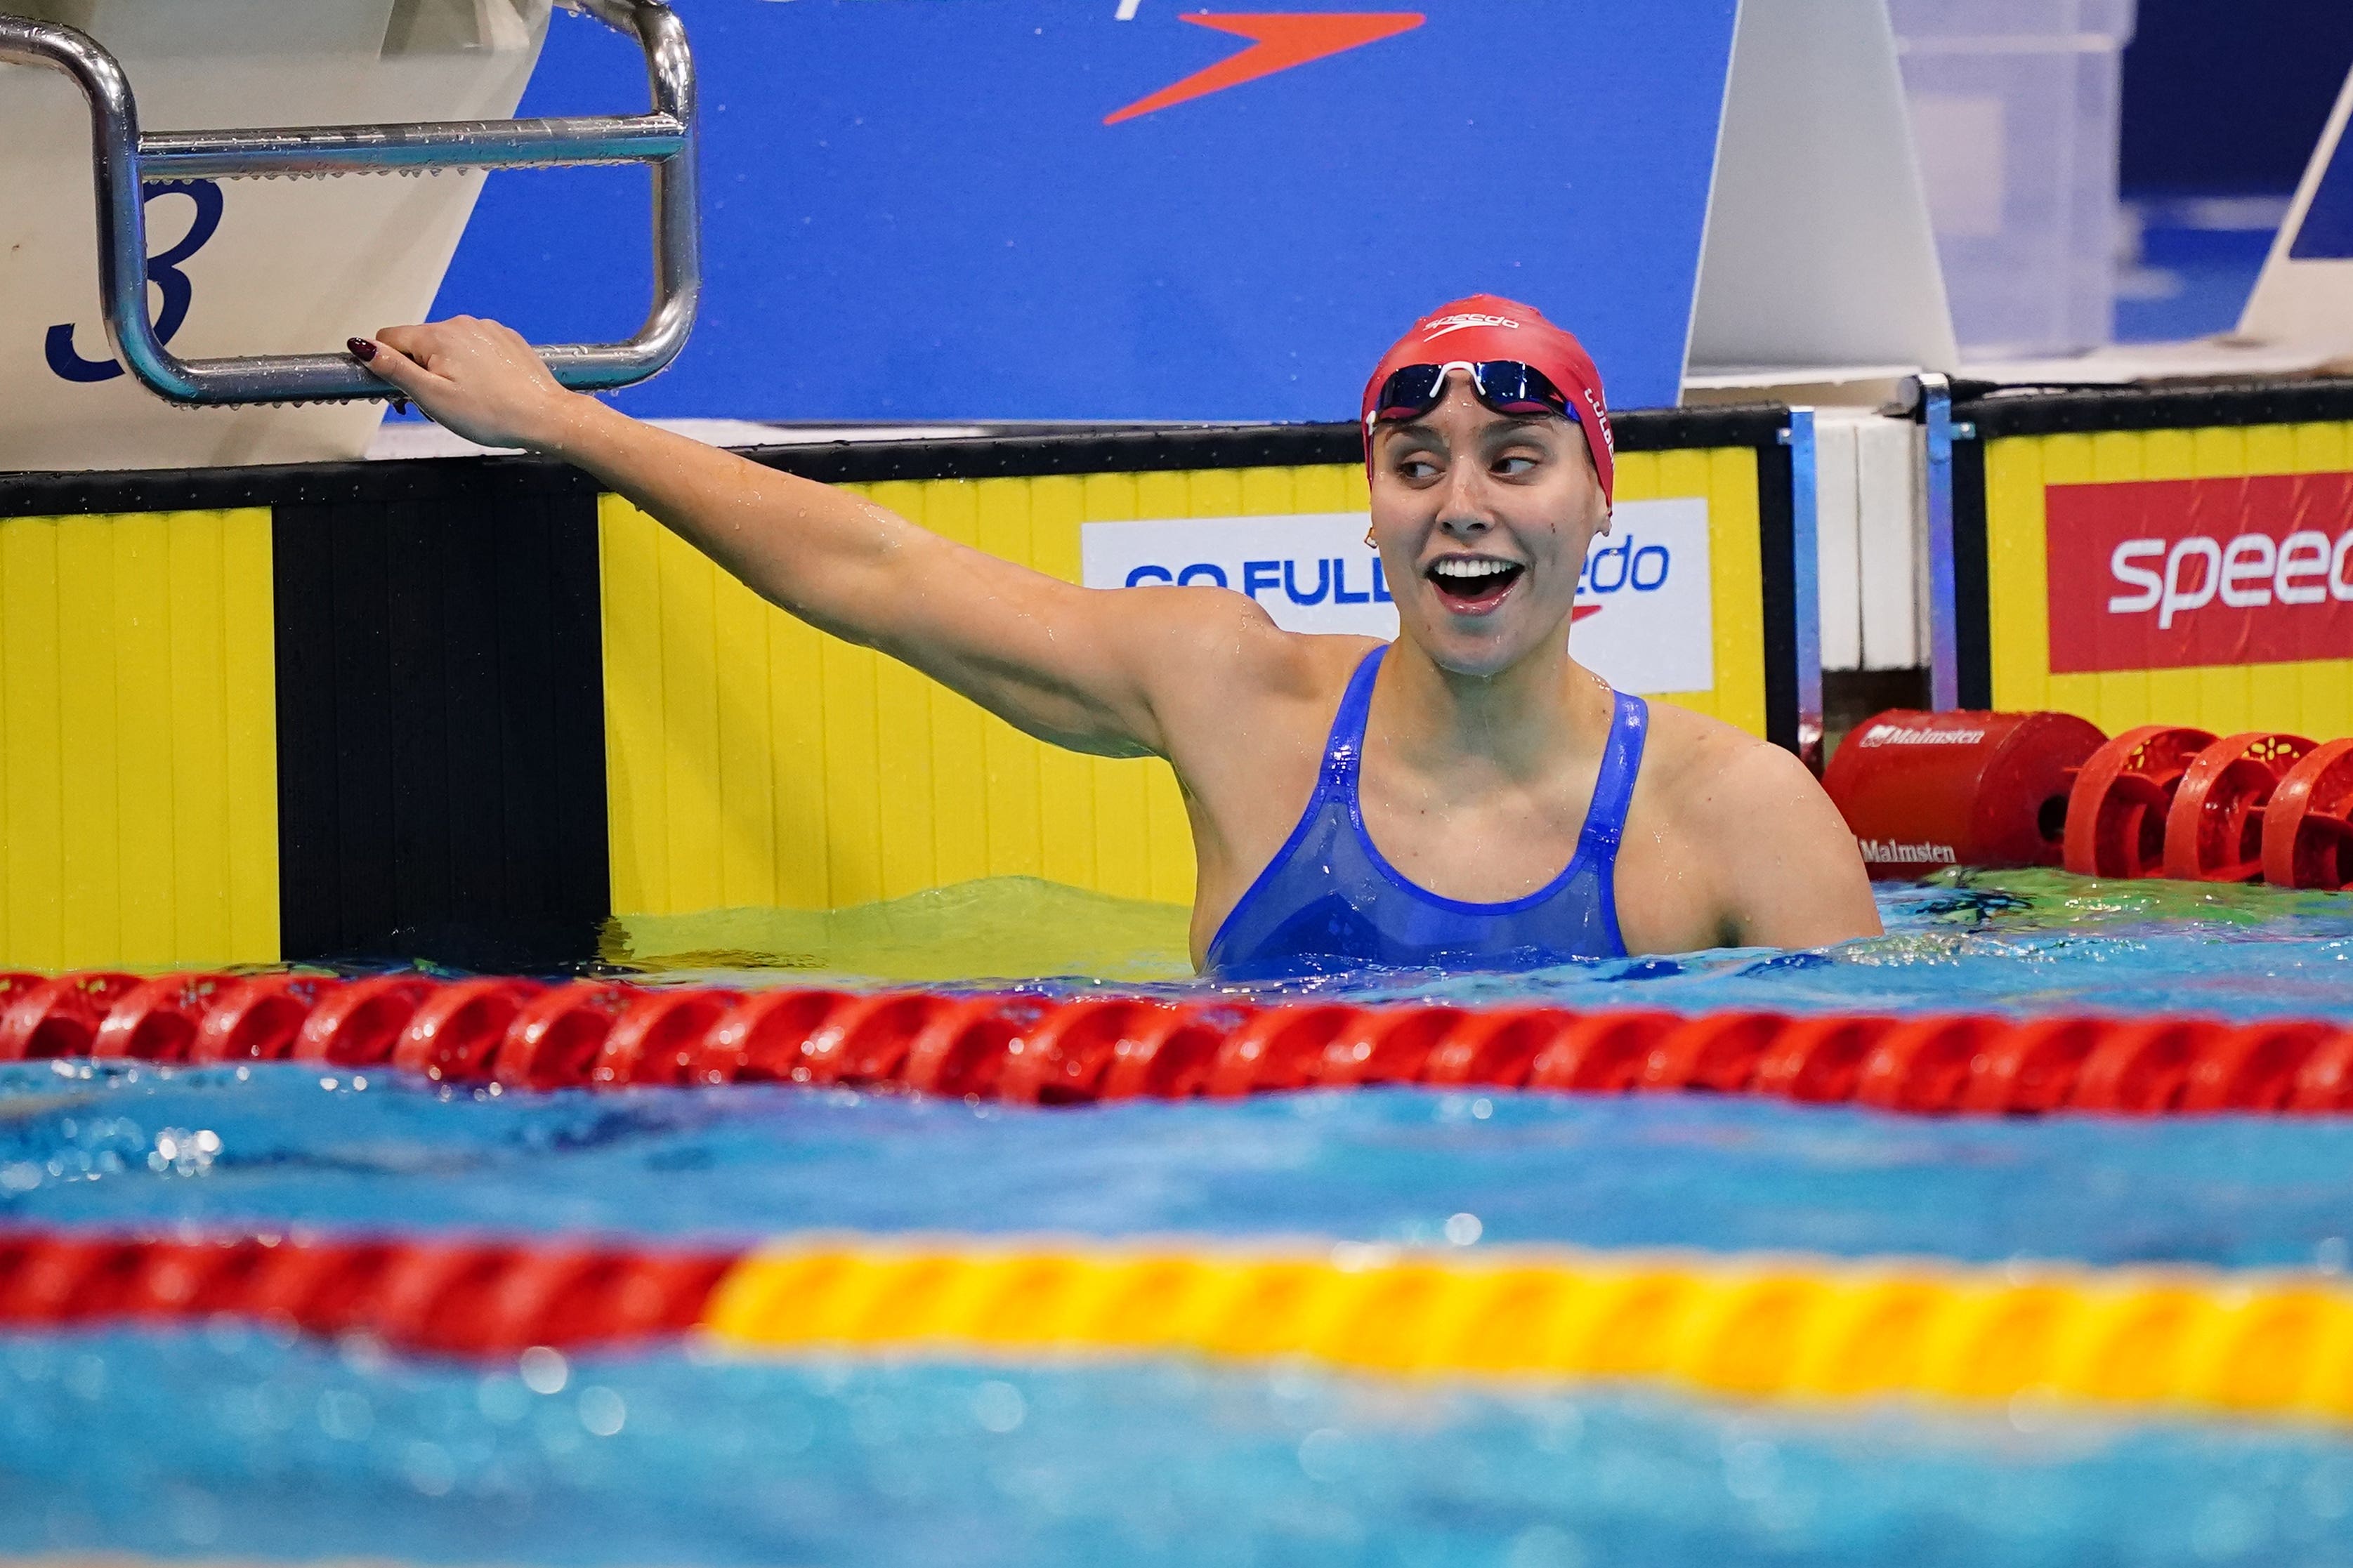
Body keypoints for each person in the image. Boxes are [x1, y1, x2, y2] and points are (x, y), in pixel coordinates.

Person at [348, 293, 1880, 975]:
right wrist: (558, 421)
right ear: (1371, 516)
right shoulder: (1236, 698)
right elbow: (877, 571)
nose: (1460, 505)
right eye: (1415, 470)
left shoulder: (1734, 816)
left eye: (1513, 464)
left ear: (1596, 505)